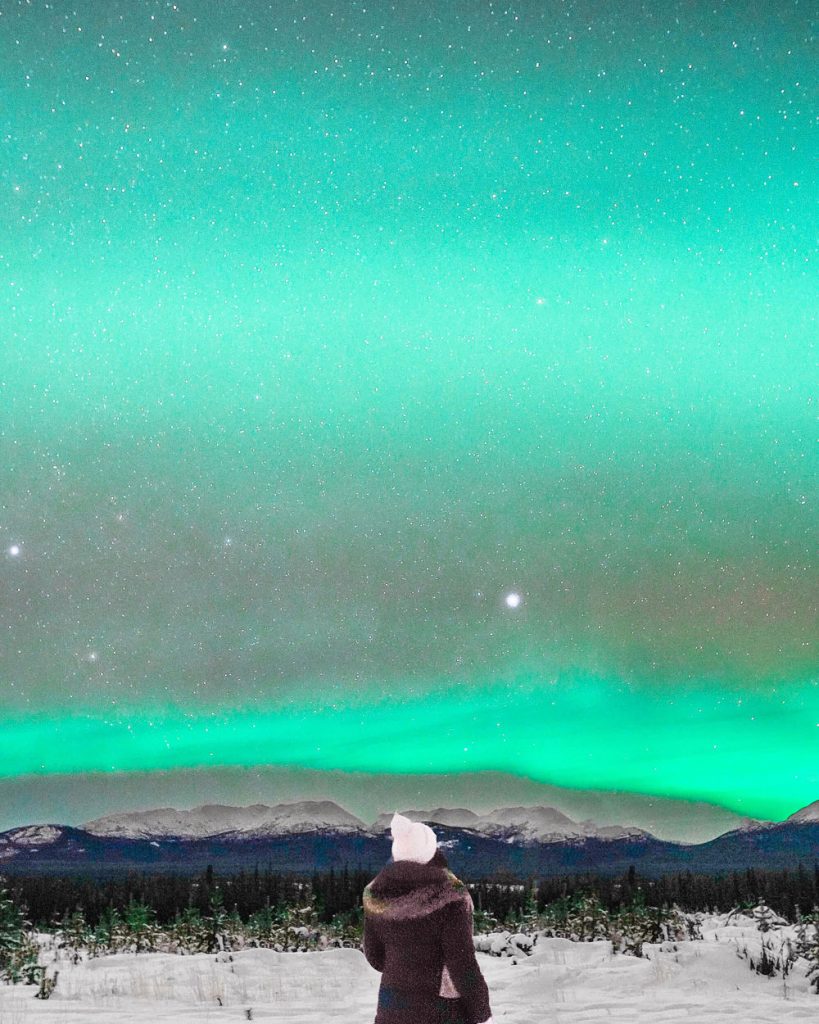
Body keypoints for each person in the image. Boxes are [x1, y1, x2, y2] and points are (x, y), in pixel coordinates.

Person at [362, 810, 494, 1024]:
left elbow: (375, 957)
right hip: (441, 1011)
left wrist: (402, 966)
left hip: (391, 1009)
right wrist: (482, 1013)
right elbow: (461, 962)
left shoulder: (374, 893)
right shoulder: (451, 894)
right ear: (430, 851)